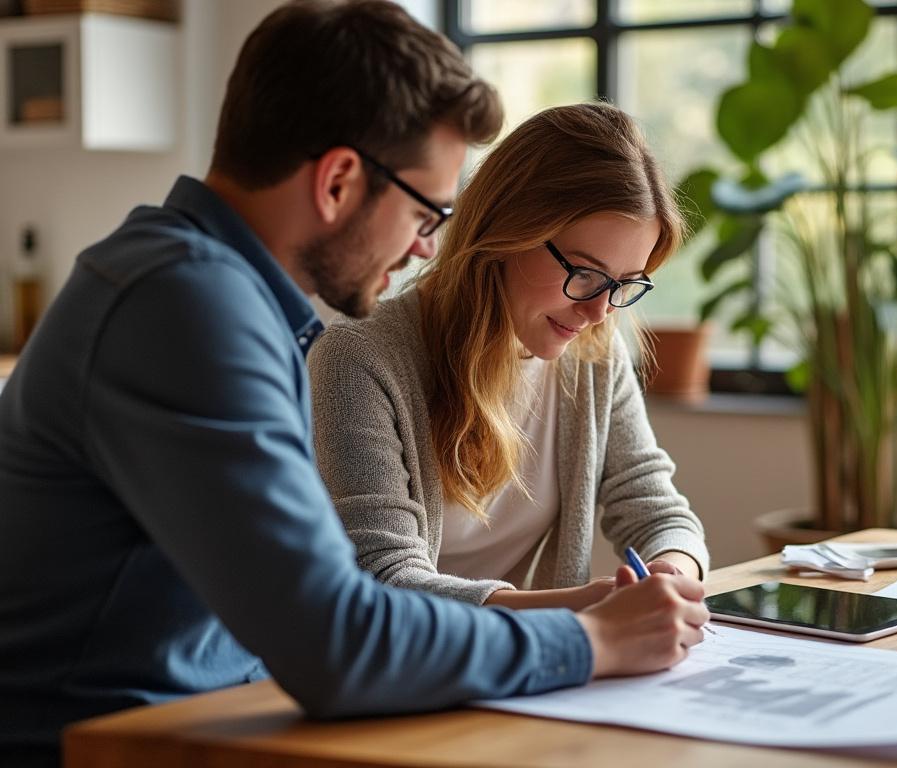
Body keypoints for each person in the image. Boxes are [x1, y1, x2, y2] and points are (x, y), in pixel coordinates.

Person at [0, 3, 707, 766]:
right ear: (338, 181)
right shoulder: (185, 307)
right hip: (105, 746)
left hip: (212, 719)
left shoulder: (216, 295)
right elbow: (338, 637)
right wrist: (590, 638)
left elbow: (321, 616)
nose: (427, 246)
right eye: (424, 211)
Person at [308, 102, 709, 612]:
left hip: (538, 655)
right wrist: (580, 612)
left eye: (624, 284)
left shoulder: (593, 354)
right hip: (409, 658)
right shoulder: (358, 359)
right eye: (584, 273)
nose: (598, 312)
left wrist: (671, 573)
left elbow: (656, 509)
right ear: (505, 234)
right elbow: (384, 579)